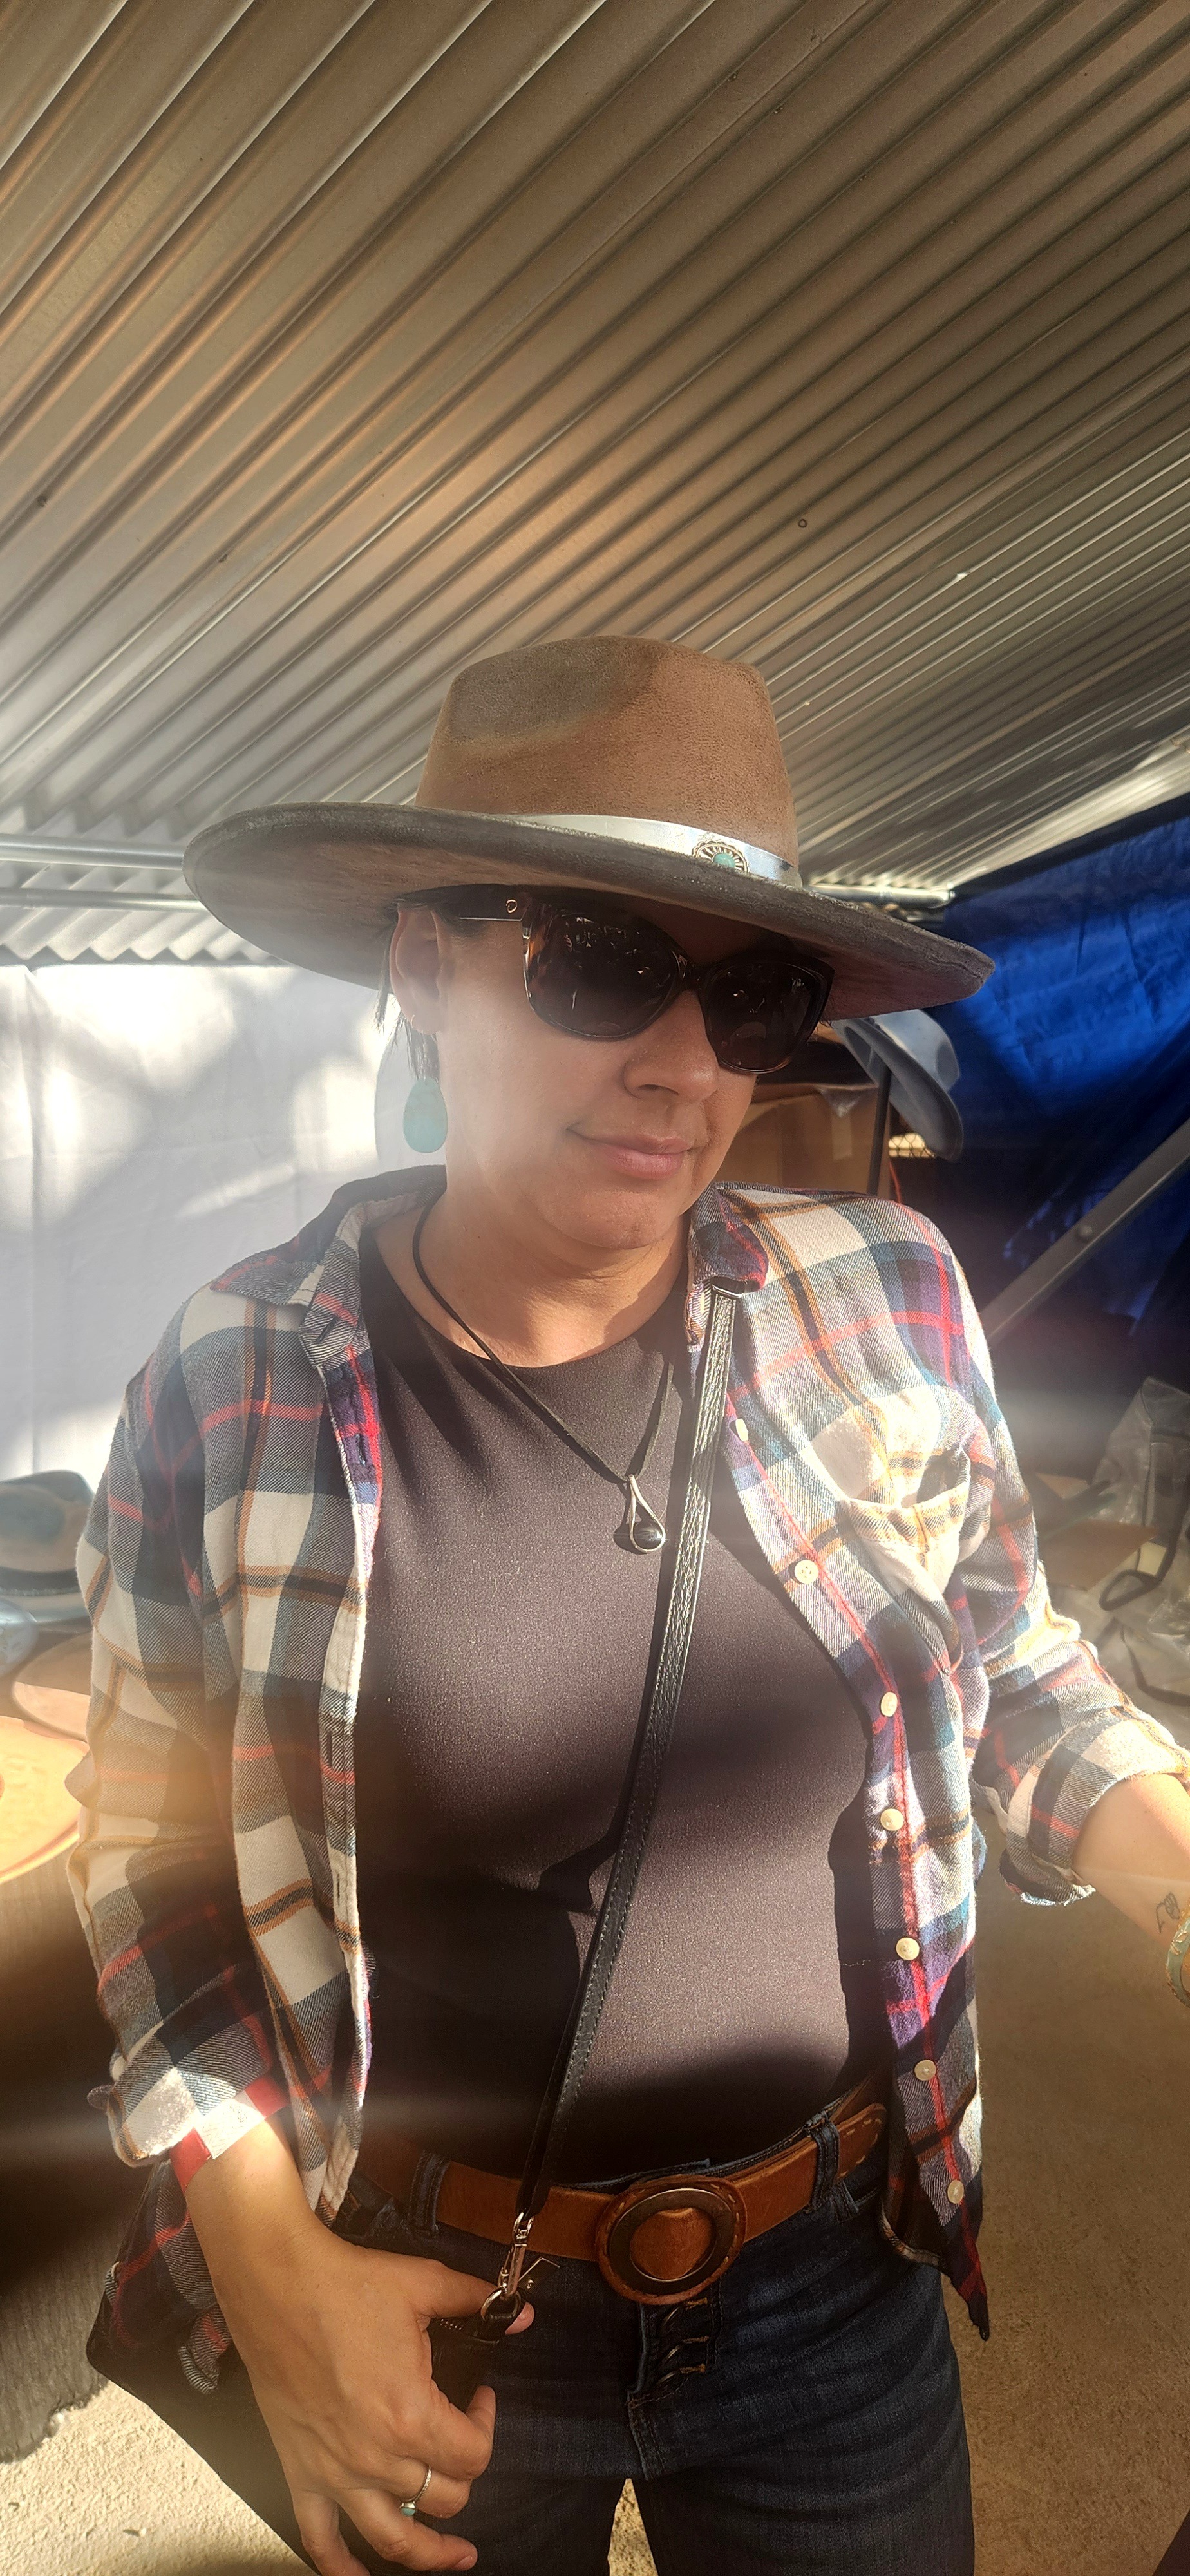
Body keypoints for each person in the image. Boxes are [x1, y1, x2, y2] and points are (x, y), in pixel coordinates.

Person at [70, 637, 1190, 2576]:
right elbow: (154, 1853)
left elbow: (1007, 1662)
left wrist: (1173, 1865)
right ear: (425, 964)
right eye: (601, 965)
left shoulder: (884, 1296)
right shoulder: (237, 1376)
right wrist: (258, 2256)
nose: (686, 1066)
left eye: (753, 995)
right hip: (424, 2297)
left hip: (835, 2290)